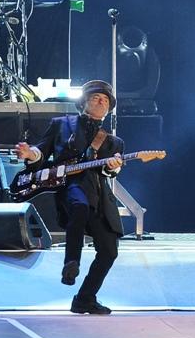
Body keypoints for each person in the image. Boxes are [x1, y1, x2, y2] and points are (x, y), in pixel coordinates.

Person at [15, 80, 124, 315]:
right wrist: (29, 153)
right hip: (71, 185)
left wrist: (113, 166)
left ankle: (84, 299)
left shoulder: (114, 142)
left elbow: (112, 172)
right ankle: (71, 262)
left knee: (109, 251)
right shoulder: (61, 124)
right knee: (79, 206)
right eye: (96, 97)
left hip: (99, 194)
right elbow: (42, 150)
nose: (101, 102)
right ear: (83, 102)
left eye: (105, 100)